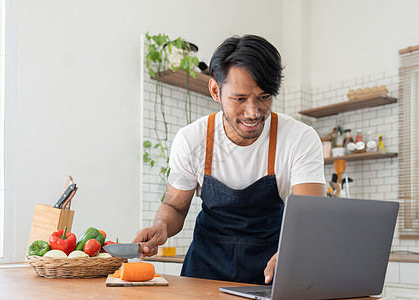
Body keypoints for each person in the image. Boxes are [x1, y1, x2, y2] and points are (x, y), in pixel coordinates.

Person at [133, 34, 325, 284]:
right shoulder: (192, 139)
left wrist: (294, 253)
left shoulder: (299, 139)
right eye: (240, 99)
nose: (253, 112)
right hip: (204, 274)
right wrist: (161, 226)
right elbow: (175, 207)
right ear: (215, 90)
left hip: (270, 274)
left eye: (264, 97)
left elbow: (312, 218)